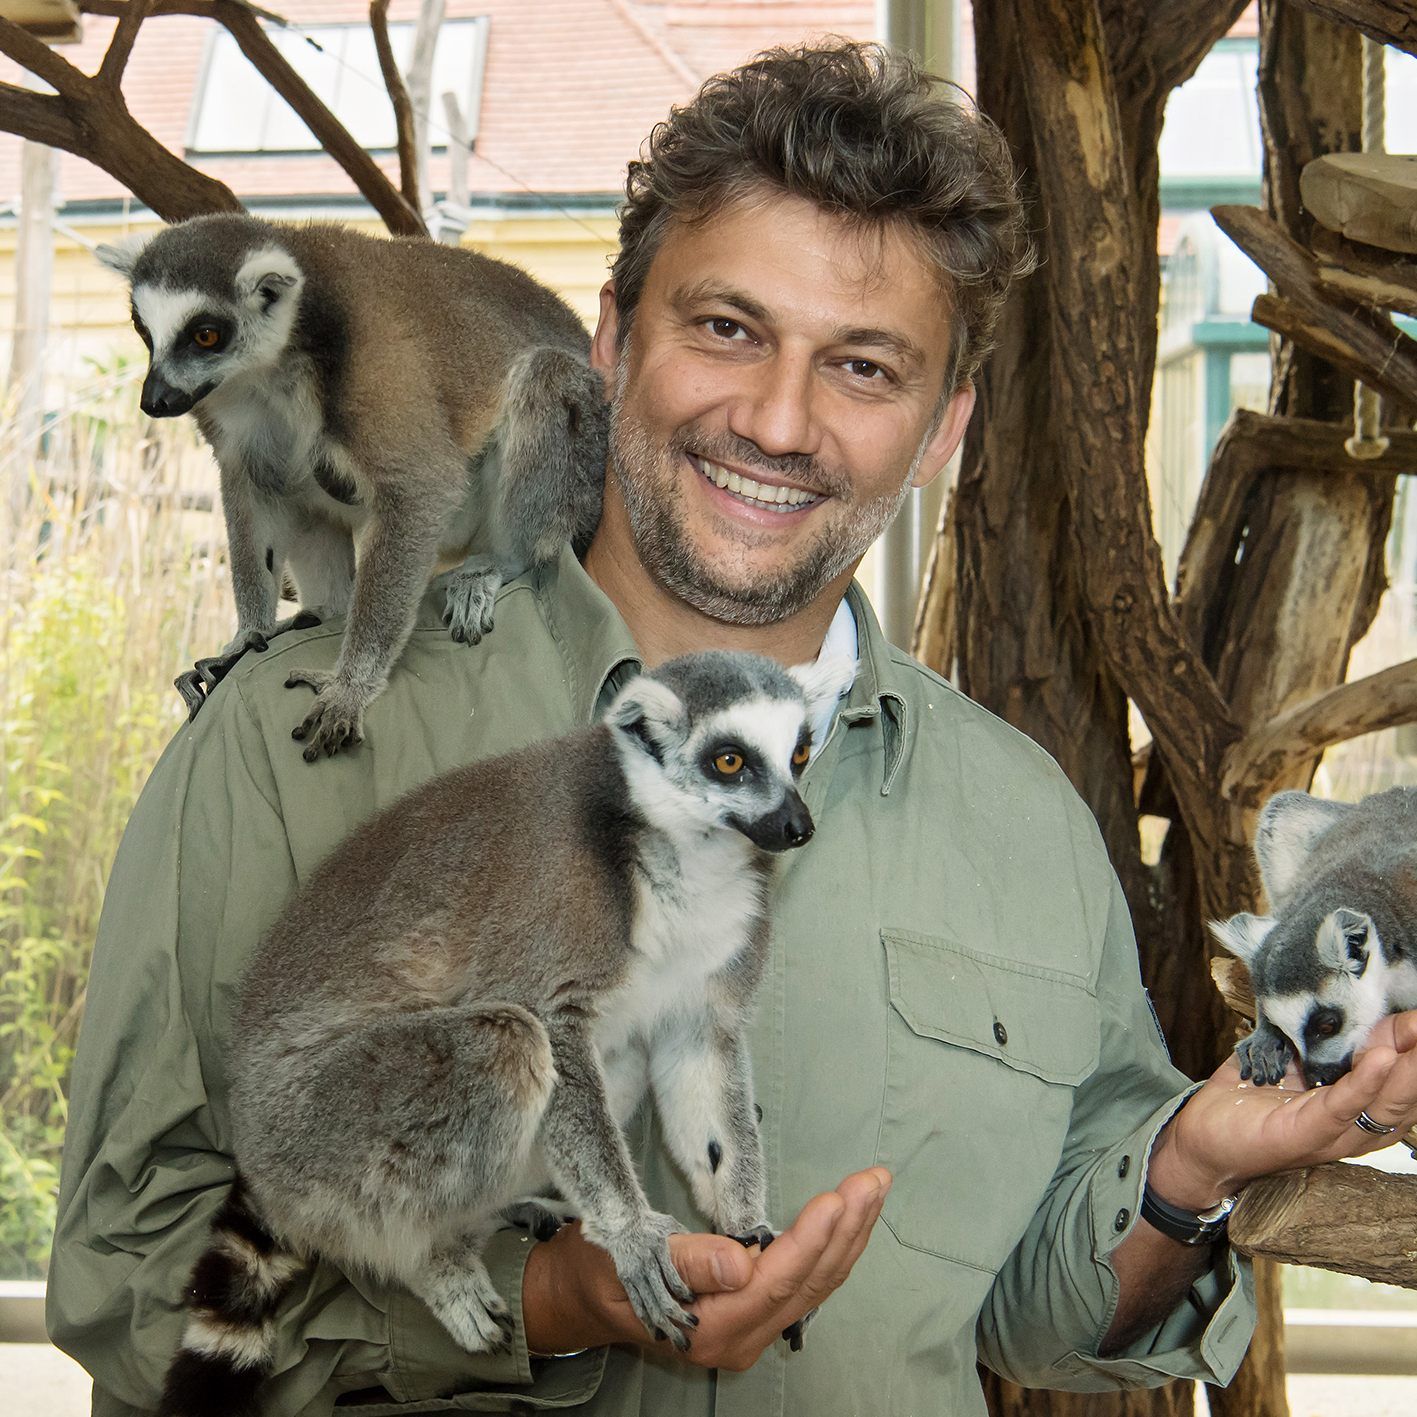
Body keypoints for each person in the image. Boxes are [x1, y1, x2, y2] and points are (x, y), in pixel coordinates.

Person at [48, 40, 1417, 1417]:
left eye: (864, 368)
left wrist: (1188, 1172)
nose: (775, 419)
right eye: (725, 329)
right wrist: (545, 1300)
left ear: (942, 431)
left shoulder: (1021, 819)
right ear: (607, 342)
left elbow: (1042, 1316)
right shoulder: (293, 741)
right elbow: (125, 1273)